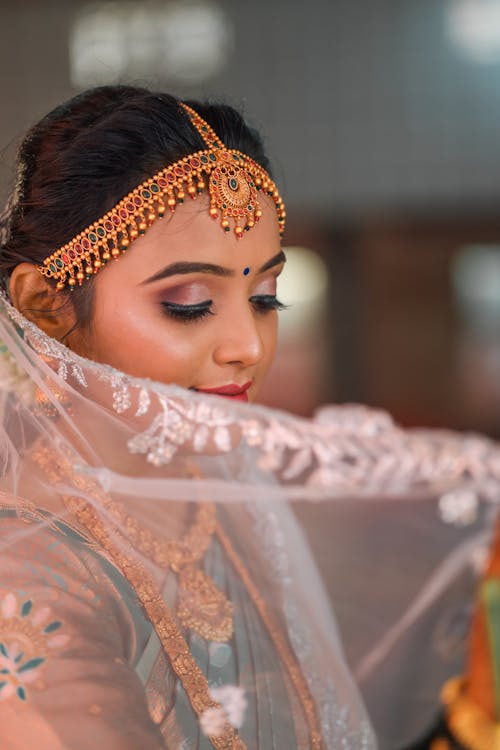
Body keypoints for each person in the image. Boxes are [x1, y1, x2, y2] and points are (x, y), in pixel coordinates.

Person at [0, 84, 498, 750]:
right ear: (44, 305)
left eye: (266, 298)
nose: (249, 346)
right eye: (188, 302)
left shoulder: (219, 493)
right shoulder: (28, 566)